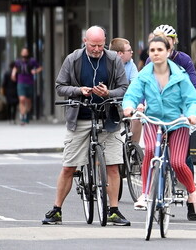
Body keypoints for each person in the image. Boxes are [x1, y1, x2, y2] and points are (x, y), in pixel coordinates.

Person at [42, 26, 130, 226]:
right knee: (68, 167)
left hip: (108, 118)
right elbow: (59, 87)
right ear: (85, 41)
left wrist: (108, 93)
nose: (97, 49)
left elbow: (124, 88)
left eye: (100, 45)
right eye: (93, 45)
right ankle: (56, 210)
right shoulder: (73, 59)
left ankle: (114, 210)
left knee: (113, 167)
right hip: (79, 118)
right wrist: (79, 90)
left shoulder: (114, 60)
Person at [122, 35, 196, 217]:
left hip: (178, 122)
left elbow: (193, 100)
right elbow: (132, 94)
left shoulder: (180, 76)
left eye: (160, 50)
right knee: (151, 150)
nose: (155, 53)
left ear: (168, 52)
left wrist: (192, 114)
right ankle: (145, 194)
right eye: (152, 50)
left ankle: (193, 191)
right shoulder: (144, 75)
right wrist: (129, 106)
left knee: (177, 161)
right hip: (153, 121)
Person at [139, 24, 196, 221]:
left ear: (173, 43)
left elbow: (194, 86)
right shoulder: (151, 60)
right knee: (151, 150)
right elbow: (140, 86)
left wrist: (194, 111)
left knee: (182, 159)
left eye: (167, 41)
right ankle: (148, 191)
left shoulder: (183, 60)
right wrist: (139, 105)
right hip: (157, 114)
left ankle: (191, 201)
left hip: (180, 114)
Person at [11, 47, 43, 124]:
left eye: (26, 52)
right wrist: (13, 74)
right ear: (21, 53)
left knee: (28, 101)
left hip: (29, 82)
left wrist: (35, 71)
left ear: (28, 53)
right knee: (22, 99)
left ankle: (27, 114)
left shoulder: (32, 61)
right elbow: (15, 68)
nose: (24, 53)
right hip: (21, 82)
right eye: (23, 52)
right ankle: (22, 116)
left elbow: (40, 68)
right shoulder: (18, 62)